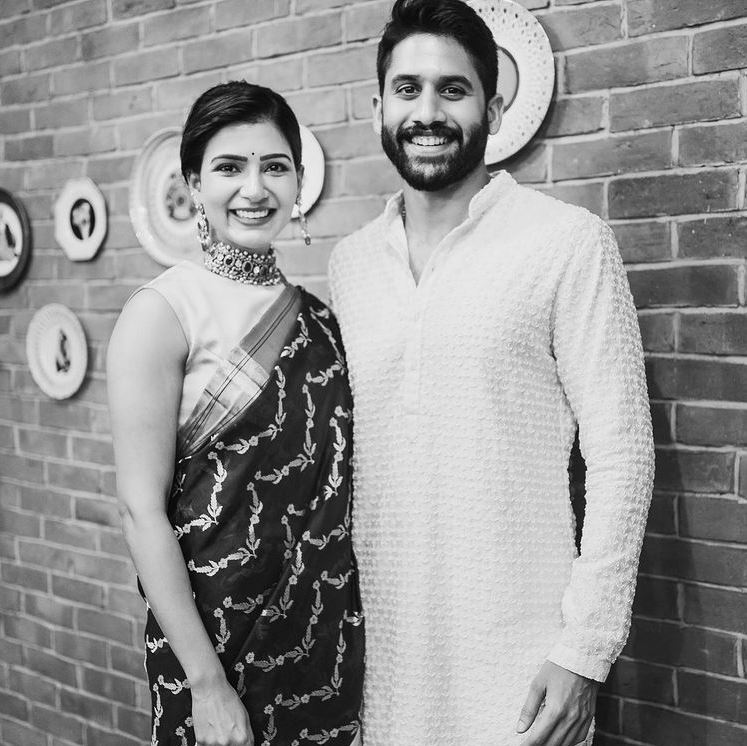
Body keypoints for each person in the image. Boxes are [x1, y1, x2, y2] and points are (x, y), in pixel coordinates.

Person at [328, 1, 655, 745]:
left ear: (493, 108)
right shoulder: (349, 265)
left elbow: (623, 453)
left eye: (453, 89)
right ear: (378, 109)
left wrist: (584, 650)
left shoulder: (567, 242)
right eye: (407, 89)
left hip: (520, 668)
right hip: (380, 668)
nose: (427, 111)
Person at [107, 81, 364, 746]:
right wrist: (207, 683)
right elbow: (140, 510)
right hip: (213, 651)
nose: (254, 189)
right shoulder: (163, 312)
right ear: (194, 183)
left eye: (274, 166)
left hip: (323, 641)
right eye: (229, 167)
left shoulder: (321, 322)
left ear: (298, 181)